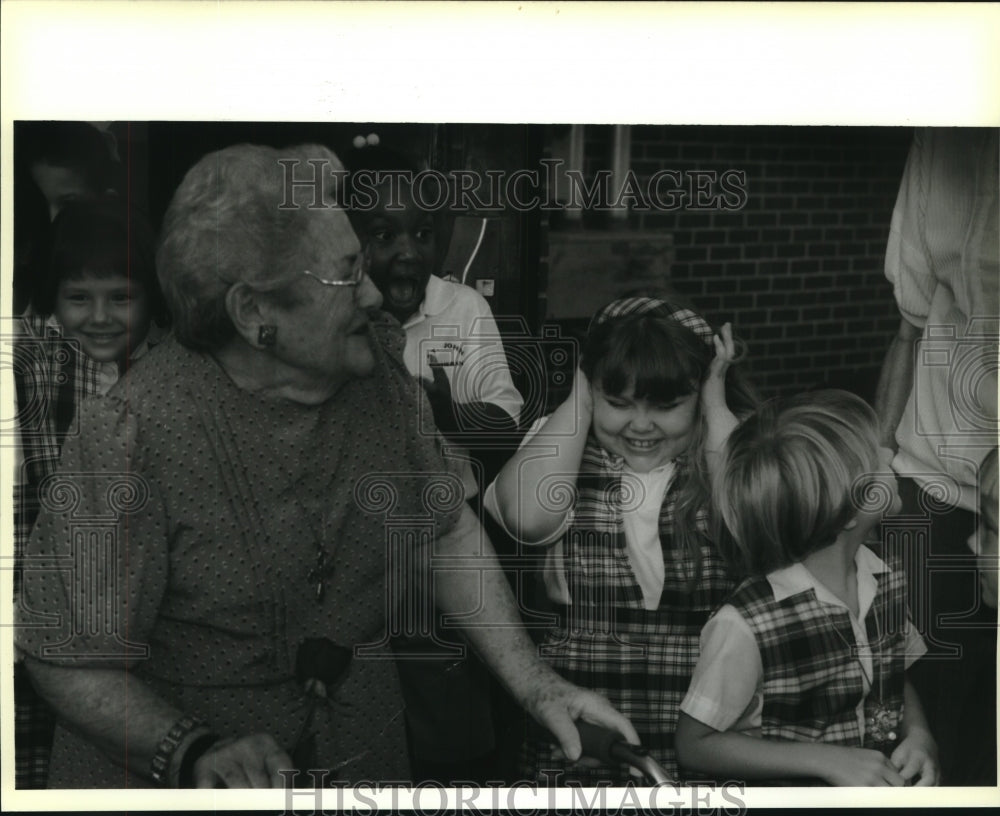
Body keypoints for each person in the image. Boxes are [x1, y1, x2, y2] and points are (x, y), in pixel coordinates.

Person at [15, 143, 638, 788]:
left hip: (358, 754)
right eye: (346, 274)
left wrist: (538, 687)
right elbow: (64, 658)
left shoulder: (382, 383)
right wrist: (190, 749)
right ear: (255, 315)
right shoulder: (131, 436)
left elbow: (443, 532)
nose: (373, 293)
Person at [486, 295, 757, 783]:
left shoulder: (720, 459)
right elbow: (527, 517)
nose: (640, 424)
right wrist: (581, 400)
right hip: (588, 721)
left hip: (705, 719)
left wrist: (716, 404)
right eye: (617, 402)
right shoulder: (565, 453)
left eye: (667, 405)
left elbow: (752, 521)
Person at [343, 143, 525, 783]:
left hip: (451, 539)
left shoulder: (462, 309)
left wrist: (444, 410)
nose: (407, 251)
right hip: (360, 549)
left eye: (423, 233)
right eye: (383, 234)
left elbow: (505, 427)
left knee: (450, 723)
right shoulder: (339, 316)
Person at [675, 390, 939, 786]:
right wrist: (826, 760)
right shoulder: (745, 625)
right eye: (876, 459)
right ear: (851, 510)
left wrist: (919, 736)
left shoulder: (884, 575)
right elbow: (694, 745)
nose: (890, 457)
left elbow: (895, 677)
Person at [12, 197, 167, 789]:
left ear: (152, 299)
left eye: (121, 298)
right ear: (53, 298)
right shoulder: (30, 369)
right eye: (79, 298)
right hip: (41, 605)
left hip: (135, 616)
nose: (100, 317)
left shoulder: (168, 377)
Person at [873, 127, 998, 785]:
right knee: (927, 724)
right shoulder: (942, 141)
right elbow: (911, 325)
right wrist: (878, 465)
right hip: (931, 486)